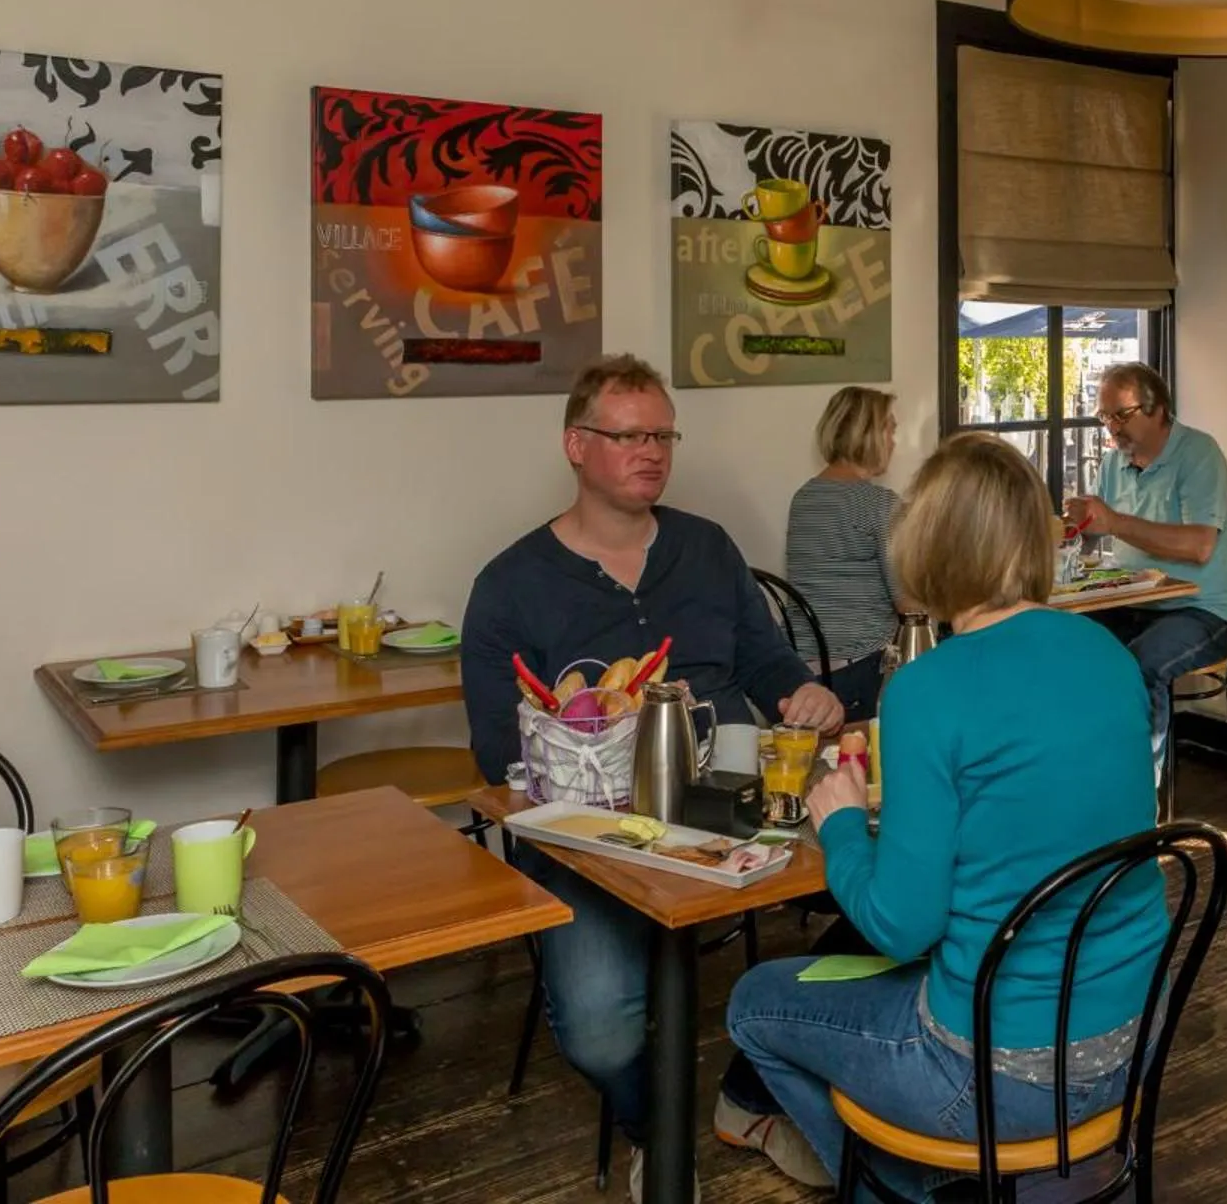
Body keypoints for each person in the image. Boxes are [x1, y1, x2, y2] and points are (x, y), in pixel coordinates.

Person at [726, 433, 1168, 1201]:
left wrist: (838, 821)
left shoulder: (927, 689)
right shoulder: (1109, 654)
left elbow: (901, 927)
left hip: (992, 1077)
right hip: (1136, 1040)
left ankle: (894, 1191)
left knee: (755, 1001)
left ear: (926, 546)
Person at [461, 352, 846, 1201]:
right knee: (601, 1028)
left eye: (663, 436)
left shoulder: (706, 547)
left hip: (736, 806)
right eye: (630, 436)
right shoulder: (510, 586)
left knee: (886, 904)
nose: (652, 452)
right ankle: (655, 1131)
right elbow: (497, 755)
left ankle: (749, 1094)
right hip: (591, 840)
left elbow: (764, 659)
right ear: (576, 444)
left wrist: (801, 690)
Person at [1062, 362, 1227, 762]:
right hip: (1131, 601)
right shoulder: (1113, 463)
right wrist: (1074, 528)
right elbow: (1094, 534)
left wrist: (1114, 522)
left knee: (1139, 663)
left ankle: (1142, 781)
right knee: (1063, 643)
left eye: (1121, 415)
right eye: (1105, 417)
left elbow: (1200, 546)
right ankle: (1083, 764)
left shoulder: (1199, 454)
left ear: (1157, 409)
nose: (1112, 428)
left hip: (1201, 609)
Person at [785, 386, 902, 719]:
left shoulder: (804, 497)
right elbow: (908, 603)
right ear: (869, 435)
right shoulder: (880, 504)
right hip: (859, 672)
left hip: (800, 671)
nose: (894, 442)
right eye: (890, 430)